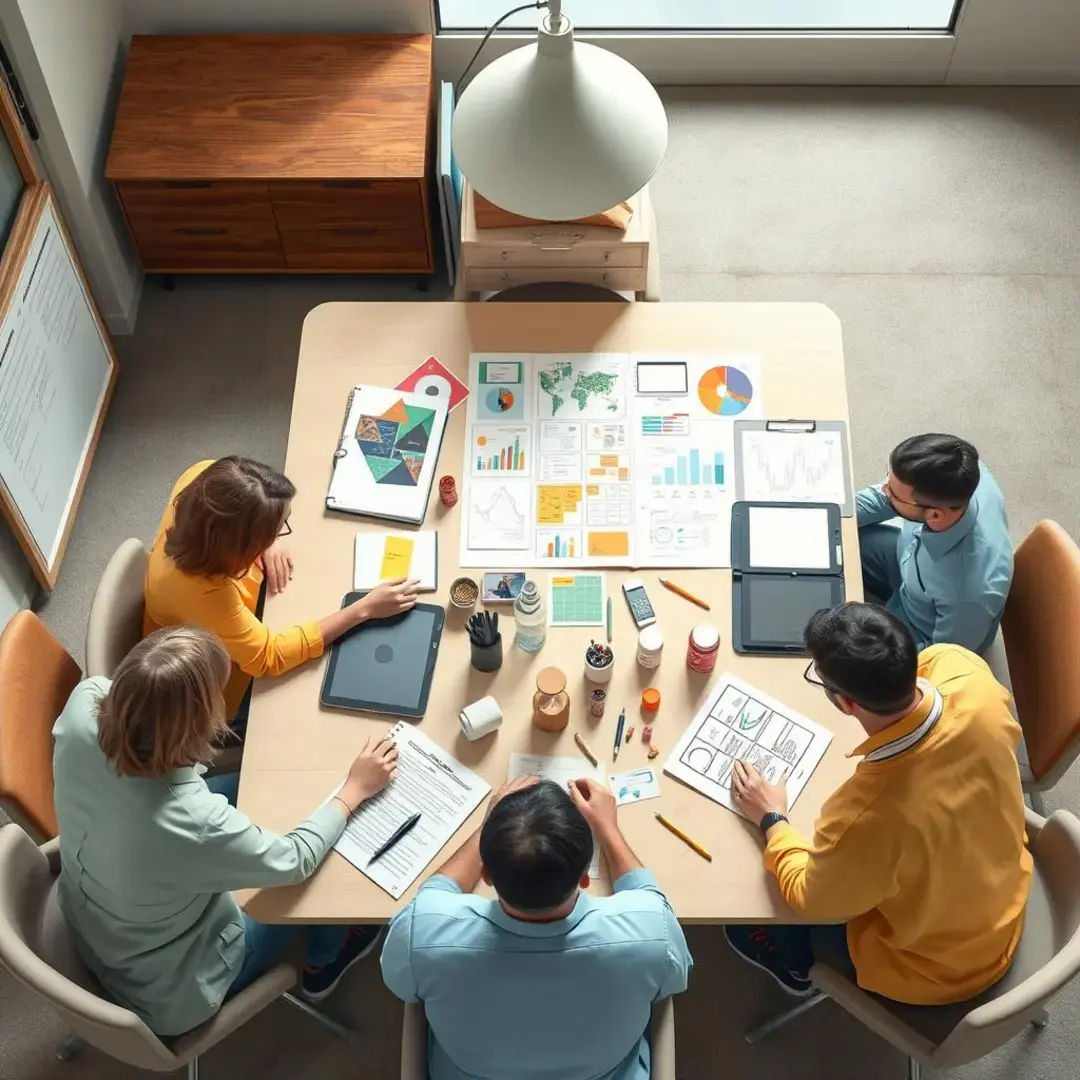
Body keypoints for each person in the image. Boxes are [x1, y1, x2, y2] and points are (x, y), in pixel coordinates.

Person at [52, 625, 399, 1036]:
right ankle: (324, 962)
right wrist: (353, 789)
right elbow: (295, 860)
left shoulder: (86, 699)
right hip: (175, 987)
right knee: (331, 853)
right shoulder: (192, 822)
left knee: (268, 783)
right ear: (195, 725)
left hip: (101, 920)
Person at [725, 602, 1032, 1005]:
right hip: (1003, 897)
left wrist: (772, 818)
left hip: (937, 968)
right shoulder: (962, 668)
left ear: (848, 703)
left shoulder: (867, 816)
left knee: (751, 906)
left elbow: (808, 895)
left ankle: (796, 966)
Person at [381, 776, 693, 1080]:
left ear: (486, 874)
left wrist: (493, 825)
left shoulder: (421, 933)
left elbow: (431, 903)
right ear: (585, 877)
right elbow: (671, 973)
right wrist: (608, 828)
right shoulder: (653, 931)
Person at [144, 456, 419, 719]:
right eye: (275, 530)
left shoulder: (202, 477)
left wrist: (266, 538)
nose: (279, 534)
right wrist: (364, 609)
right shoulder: (205, 595)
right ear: (239, 546)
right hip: (202, 677)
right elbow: (268, 657)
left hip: (231, 612)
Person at [856, 433, 1012, 654]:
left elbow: (943, 659)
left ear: (935, 515)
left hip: (922, 630)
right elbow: (879, 500)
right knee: (841, 538)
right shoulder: (962, 473)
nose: (884, 492)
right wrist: (826, 517)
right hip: (908, 562)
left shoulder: (968, 597)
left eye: (891, 493)